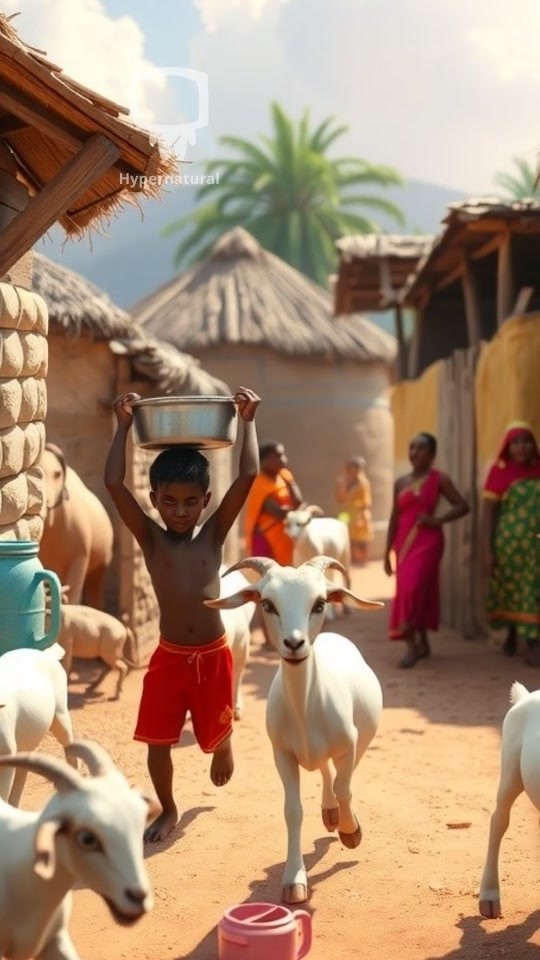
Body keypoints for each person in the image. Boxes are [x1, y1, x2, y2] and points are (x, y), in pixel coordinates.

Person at [104, 386, 260, 842]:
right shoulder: (152, 540)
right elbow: (115, 484)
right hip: (169, 657)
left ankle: (223, 741)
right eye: (169, 501)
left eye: (191, 502)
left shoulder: (213, 537)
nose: (179, 511)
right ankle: (168, 809)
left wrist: (247, 421)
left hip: (213, 657)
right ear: (153, 498)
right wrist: (124, 428)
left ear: (206, 500)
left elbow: (247, 476)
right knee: (157, 741)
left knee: (215, 728)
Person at [383, 432, 469, 669]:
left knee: (414, 588)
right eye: (412, 448)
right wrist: (386, 553)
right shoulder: (400, 483)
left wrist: (438, 520)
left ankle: (411, 645)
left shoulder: (440, 479)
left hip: (428, 541)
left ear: (432, 454)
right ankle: (421, 641)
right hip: (404, 543)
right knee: (416, 591)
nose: (415, 453)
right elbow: (394, 517)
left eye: (421, 449)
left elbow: (463, 505)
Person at [481, 421, 540, 666]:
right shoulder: (499, 472)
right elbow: (489, 515)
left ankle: (532, 643)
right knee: (510, 590)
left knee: (532, 591)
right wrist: (488, 551)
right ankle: (513, 634)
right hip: (509, 543)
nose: (522, 447)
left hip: (535, 546)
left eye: (526, 441)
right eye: (516, 442)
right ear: (508, 446)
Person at [243, 441, 304, 566]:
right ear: (264, 460)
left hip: (285, 536)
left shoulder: (284, 476)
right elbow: (278, 513)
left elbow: (298, 502)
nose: (283, 459)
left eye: (283, 455)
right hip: (265, 540)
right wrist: (293, 512)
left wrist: (290, 482)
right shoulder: (259, 483)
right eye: (277, 456)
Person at [335, 456, 374, 565]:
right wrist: (342, 486)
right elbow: (339, 499)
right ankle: (349, 559)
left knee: (361, 538)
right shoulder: (343, 481)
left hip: (360, 513)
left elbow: (367, 501)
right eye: (352, 467)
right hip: (346, 513)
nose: (355, 470)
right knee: (345, 535)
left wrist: (360, 512)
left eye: (357, 468)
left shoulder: (363, 483)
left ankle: (362, 560)